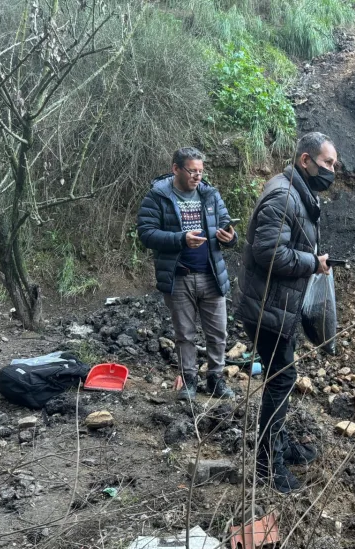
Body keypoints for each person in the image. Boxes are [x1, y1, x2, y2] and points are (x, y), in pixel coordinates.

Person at [236, 132, 336, 493]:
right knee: (281, 379)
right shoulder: (283, 196)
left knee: (283, 376)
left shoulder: (298, 193)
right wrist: (312, 262)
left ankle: (277, 445)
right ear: (305, 160)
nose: (332, 171)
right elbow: (269, 253)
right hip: (267, 308)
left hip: (278, 305)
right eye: (327, 164)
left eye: (335, 165)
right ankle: (268, 465)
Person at [137, 147, 238, 401]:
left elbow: (226, 225)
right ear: (175, 169)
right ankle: (189, 381)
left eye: (201, 171)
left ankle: (215, 380)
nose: (197, 176)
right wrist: (181, 239)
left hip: (211, 274)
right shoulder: (158, 196)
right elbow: (146, 234)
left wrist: (230, 237)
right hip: (179, 276)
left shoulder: (210, 195)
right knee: (185, 335)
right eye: (192, 171)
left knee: (218, 333)